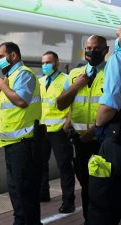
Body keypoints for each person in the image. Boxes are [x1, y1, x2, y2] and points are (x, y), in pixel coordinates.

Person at [56, 35, 108, 224]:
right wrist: (76, 86)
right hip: (80, 141)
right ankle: (89, 220)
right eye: (88, 48)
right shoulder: (74, 74)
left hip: (104, 140)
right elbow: (60, 103)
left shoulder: (112, 72)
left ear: (106, 50)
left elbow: (115, 107)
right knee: (86, 185)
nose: (91, 52)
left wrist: (94, 130)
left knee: (104, 185)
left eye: (96, 49)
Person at [0, 42, 42, 225]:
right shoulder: (10, 76)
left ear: (13, 56)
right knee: (16, 189)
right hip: (13, 142)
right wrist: (0, 89)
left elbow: (22, 101)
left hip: (25, 143)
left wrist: (2, 86)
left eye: (0, 56)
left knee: (25, 191)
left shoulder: (23, 74)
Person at [88, 27, 121, 225]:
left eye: (118, 36)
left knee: (103, 200)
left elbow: (109, 106)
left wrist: (98, 124)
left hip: (116, 139)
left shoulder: (117, 60)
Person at [39, 51, 75, 213]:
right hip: (42, 129)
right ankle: (43, 194)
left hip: (59, 131)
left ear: (57, 63)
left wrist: (66, 126)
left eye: (49, 62)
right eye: (43, 63)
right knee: (40, 164)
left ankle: (68, 202)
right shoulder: (40, 82)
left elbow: (74, 105)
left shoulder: (66, 80)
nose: (45, 65)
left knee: (64, 166)